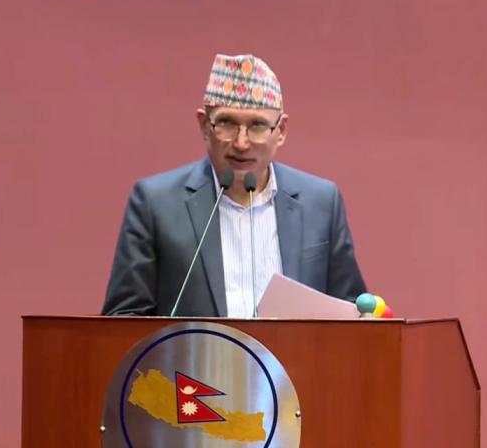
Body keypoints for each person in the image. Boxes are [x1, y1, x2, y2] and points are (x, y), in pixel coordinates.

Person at [102, 54, 366, 317]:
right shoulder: (155, 204)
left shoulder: (320, 203)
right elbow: (123, 320)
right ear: (204, 126)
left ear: (281, 131)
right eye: (226, 123)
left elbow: (353, 315)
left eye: (257, 125)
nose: (241, 143)